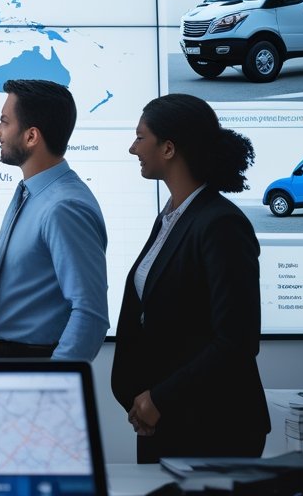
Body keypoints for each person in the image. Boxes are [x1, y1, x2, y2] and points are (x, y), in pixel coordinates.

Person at [112, 93, 269, 463]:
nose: (132, 148)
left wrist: (158, 398)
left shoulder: (221, 224)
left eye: (140, 137)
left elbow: (236, 340)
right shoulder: (171, 217)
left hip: (215, 426)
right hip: (166, 420)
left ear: (168, 148)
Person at [0, 79, 108, 360]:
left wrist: (55, 382)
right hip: (10, 361)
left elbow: (90, 312)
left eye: (5, 122)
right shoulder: (33, 194)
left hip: (33, 365)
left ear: (31, 136)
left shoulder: (64, 207)